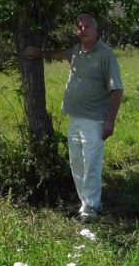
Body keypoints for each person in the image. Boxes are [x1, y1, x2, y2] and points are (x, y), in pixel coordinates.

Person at [24, 14, 124, 222]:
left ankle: (92, 209)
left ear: (96, 31)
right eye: (79, 27)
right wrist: (39, 54)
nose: (83, 30)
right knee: (76, 163)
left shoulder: (105, 54)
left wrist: (110, 121)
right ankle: (85, 205)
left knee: (91, 164)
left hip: (95, 120)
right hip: (74, 118)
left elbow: (117, 90)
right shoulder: (77, 51)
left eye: (87, 27)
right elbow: (61, 54)